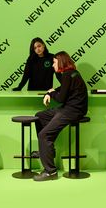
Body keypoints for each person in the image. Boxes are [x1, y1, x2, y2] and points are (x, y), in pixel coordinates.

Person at [33, 51, 88, 181]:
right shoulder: (72, 73)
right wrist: (50, 91)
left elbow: (60, 98)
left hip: (73, 110)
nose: (52, 65)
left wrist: (51, 94)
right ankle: (46, 149)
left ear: (61, 62)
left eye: (54, 62)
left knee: (44, 135)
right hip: (69, 108)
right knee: (40, 116)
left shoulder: (68, 75)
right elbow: (63, 88)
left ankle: (50, 172)